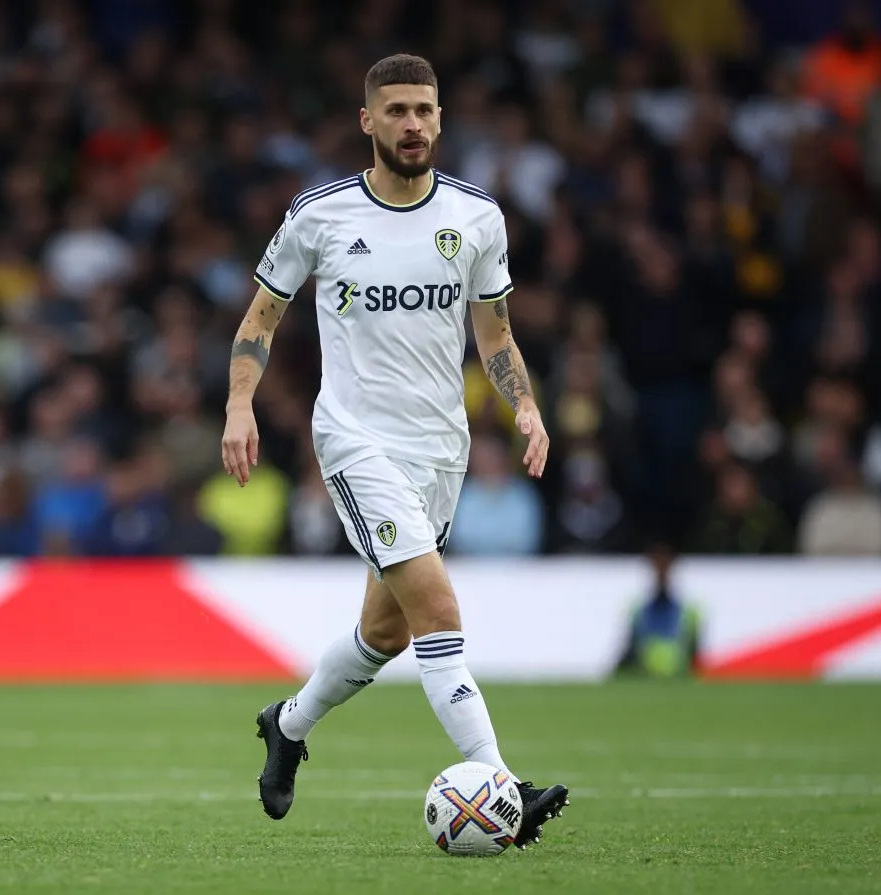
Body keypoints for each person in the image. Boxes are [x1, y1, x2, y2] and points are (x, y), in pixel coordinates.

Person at [221, 54, 568, 849]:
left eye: (424, 110)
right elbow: (260, 318)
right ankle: (503, 786)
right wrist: (240, 404)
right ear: (367, 121)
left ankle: (288, 723)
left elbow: (495, 334)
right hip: (356, 441)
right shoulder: (321, 214)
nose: (412, 124)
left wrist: (524, 404)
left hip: (441, 448)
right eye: (397, 110)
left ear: (440, 119)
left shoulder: (477, 217)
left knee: (386, 632)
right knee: (439, 610)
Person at [614, 540, 701, 677]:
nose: (661, 570)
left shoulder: (689, 612)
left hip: (678, 680)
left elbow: (695, 656)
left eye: (665, 565)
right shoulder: (638, 611)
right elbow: (629, 652)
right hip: (645, 680)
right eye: (657, 565)